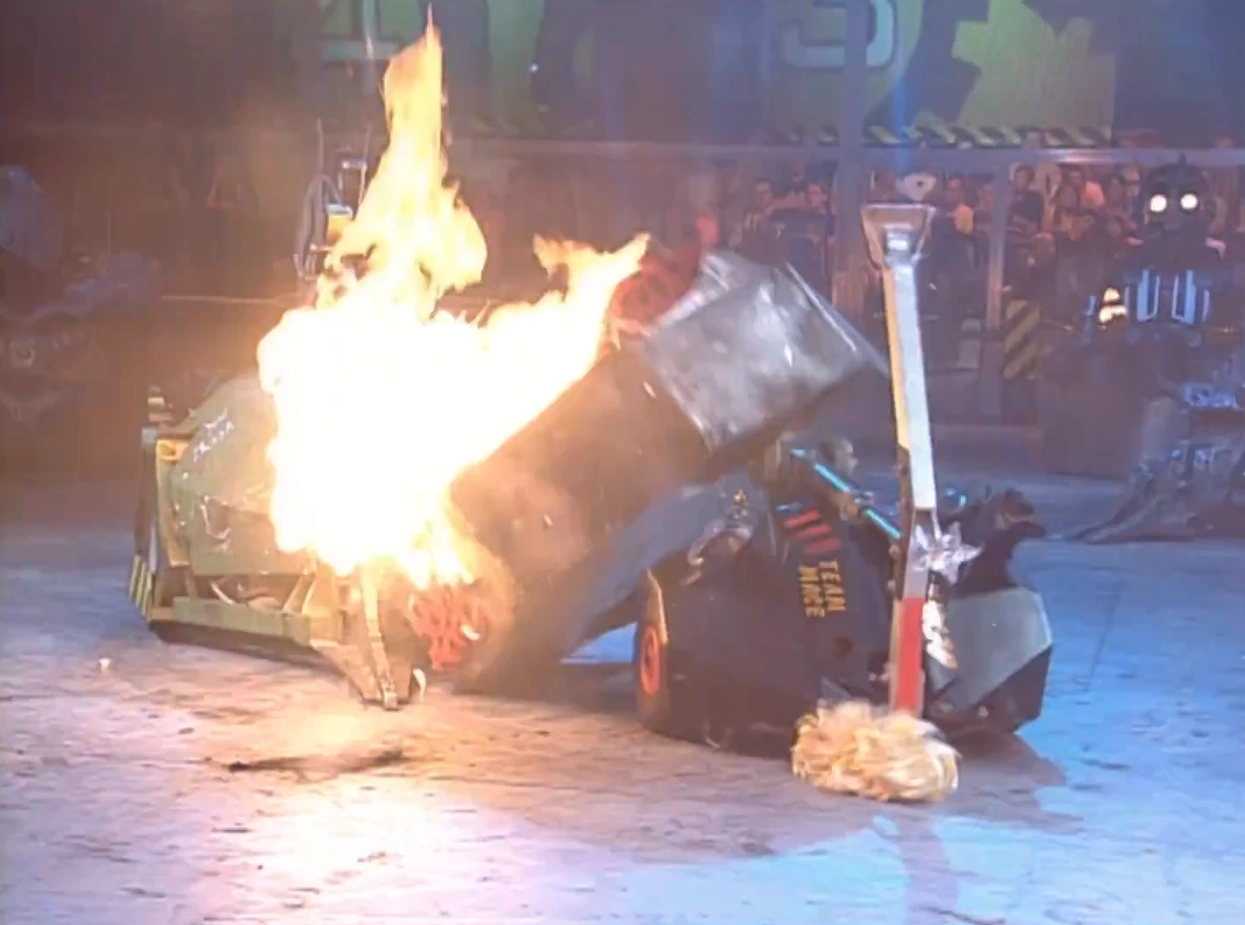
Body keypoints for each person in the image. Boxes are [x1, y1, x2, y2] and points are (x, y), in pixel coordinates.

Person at [771, 179, 835, 292]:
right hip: (801, 278)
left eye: (815, 193)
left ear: (824, 197)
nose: (810, 197)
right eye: (808, 193)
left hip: (822, 281)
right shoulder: (800, 219)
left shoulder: (832, 222)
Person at [731, 177, 780, 264]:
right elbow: (734, 243)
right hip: (749, 265)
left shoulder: (781, 216)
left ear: (772, 194)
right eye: (757, 193)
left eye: (765, 192)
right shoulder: (748, 216)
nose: (761, 196)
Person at [1008, 165, 1046, 235]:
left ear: (1029, 180)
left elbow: (1034, 220)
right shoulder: (1010, 195)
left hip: (1028, 234)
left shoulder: (1036, 198)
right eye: (1017, 177)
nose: (1019, 181)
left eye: (1022, 177)